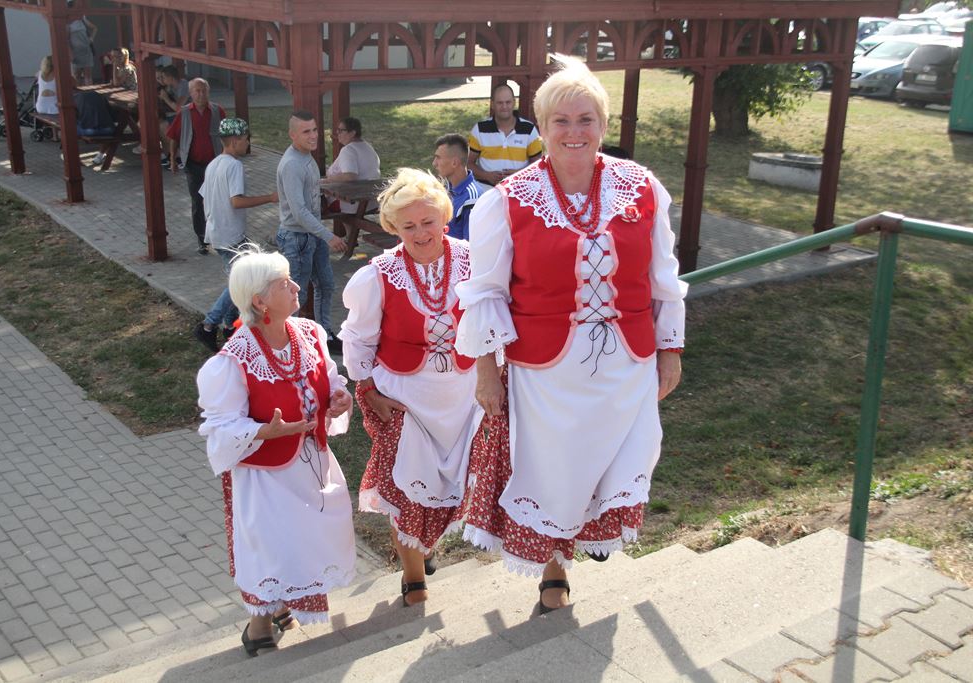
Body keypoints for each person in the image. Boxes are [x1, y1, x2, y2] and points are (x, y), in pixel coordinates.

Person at [455, 55, 687, 614]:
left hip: (626, 364)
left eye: (586, 120)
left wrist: (670, 349)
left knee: (619, 459)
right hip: (547, 371)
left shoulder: (643, 189)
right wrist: (487, 370)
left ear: (604, 126)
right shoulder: (507, 201)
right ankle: (554, 570)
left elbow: (663, 279)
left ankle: (595, 533)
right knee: (555, 470)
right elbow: (485, 291)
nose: (575, 132)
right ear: (542, 129)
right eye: (561, 121)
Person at [196, 247, 356, 655]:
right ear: (260, 300)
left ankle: (281, 606)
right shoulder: (235, 358)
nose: (296, 286)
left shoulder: (310, 333)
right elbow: (220, 425)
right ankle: (259, 625)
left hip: (310, 463)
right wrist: (262, 431)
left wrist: (338, 399)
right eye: (285, 283)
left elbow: (330, 381)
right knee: (269, 542)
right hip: (265, 474)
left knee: (304, 537)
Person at [340, 168, 482, 607]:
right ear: (392, 228)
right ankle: (414, 575)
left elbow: (496, 320)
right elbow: (359, 339)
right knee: (404, 488)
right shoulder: (377, 276)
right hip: (404, 399)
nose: (420, 233)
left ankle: (429, 542)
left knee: (464, 483)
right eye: (408, 226)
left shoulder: (475, 260)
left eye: (428, 221)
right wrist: (369, 390)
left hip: (466, 396)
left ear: (445, 216)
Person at [193, 118, 280, 352]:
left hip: (217, 231)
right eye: (245, 139)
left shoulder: (213, 164)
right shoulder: (234, 166)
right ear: (234, 141)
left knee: (241, 278)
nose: (247, 143)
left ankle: (230, 325)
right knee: (241, 282)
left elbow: (204, 195)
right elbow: (236, 201)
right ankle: (208, 325)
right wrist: (270, 198)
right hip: (230, 234)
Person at [276, 110, 347, 353]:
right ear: (292, 134)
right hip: (296, 239)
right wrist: (329, 236)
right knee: (295, 297)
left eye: (315, 129)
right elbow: (298, 212)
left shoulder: (307, 157)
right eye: (306, 131)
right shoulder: (292, 164)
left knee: (325, 285)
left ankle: (324, 334)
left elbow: (309, 199)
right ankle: (287, 345)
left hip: (312, 236)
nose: (313, 135)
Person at [166, 78, 225, 254]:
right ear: (191, 94)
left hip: (214, 164)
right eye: (196, 91)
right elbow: (174, 137)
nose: (200, 94)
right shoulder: (184, 113)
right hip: (193, 164)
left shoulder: (217, 111)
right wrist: (172, 159)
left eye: (203, 91)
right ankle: (202, 239)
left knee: (217, 200)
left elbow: (227, 135)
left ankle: (218, 236)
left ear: (208, 92)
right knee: (198, 202)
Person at [467, 83, 542, 185]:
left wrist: (519, 175)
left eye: (508, 102)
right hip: (486, 188)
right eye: (500, 103)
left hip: (519, 187)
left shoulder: (529, 129)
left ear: (514, 103)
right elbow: (468, 163)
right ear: (492, 104)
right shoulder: (479, 129)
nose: (504, 106)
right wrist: (486, 175)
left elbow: (538, 165)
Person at [431, 134, 486, 241]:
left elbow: (470, 248)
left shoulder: (472, 199)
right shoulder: (443, 189)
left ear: (454, 163)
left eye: (438, 158)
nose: (434, 163)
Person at [322, 117, 381, 214]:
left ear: (353, 133)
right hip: (371, 202)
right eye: (338, 130)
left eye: (341, 130)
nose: (338, 133)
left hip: (353, 203)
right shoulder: (368, 147)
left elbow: (349, 176)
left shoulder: (348, 150)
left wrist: (328, 179)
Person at [73, 85, 116, 167]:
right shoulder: (99, 96)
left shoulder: (74, 99)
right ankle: (100, 155)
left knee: (68, 129)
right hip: (108, 129)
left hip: (88, 130)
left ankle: (74, 158)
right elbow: (112, 116)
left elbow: (73, 117)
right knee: (109, 126)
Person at [156, 65, 189, 167]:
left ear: (171, 77)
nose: (162, 80)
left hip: (185, 116)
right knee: (158, 126)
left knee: (165, 129)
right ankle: (170, 156)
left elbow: (178, 108)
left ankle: (178, 157)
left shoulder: (183, 86)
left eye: (163, 77)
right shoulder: (169, 86)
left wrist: (166, 98)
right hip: (172, 115)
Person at [66, 5, 97, 86]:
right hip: (75, 51)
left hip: (86, 49)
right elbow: (67, 39)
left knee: (88, 74)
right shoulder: (67, 22)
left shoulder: (82, 18)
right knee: (77, 75)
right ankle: (78, 93)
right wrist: (70, 53)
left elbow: (94, 28)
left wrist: (91, 39)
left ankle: (89, 92)